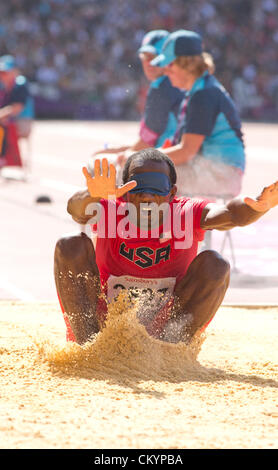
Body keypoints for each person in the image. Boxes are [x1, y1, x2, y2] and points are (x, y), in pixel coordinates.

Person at [54, 149, 278, 346]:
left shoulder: (187, 212)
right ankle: (88, 348)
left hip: (167, 325)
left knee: (215, 264)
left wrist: (258, 207)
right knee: (70, 244)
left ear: (172, 193)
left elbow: (231, 214)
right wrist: (91, 195)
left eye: (157, 189)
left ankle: (170, 355)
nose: (147, 196)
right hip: (104, 322)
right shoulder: (109, 207)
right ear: (125, 191)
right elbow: (76, 210)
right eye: (138, 188)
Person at [150, 30, 246, 198]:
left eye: (168, 66)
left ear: (186, 64)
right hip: (219, 170)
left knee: (143, 177)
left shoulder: (203, 94)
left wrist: (142, 159)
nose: (164, 72)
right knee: (148, 171)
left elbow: (186, 151)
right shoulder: (200, 89)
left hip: (221, 174)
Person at [92, 30, 183, 161]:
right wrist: (119, 150)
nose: (149, 63)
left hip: (168, 161)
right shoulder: (173, 83)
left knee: (98, 162)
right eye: (145, 57)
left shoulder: (163, 88)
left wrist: (119, 154)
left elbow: (147, 144)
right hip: (168, 155)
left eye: (155, 56)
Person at [0, 54, 34, 170]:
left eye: (5, 72)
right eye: (1, 73)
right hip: (9, 121)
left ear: (14, 71)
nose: (2, 76)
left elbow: (17, 108)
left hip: (22, 122)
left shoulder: (20, 84)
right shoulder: (4, 86)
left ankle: (2, 158)